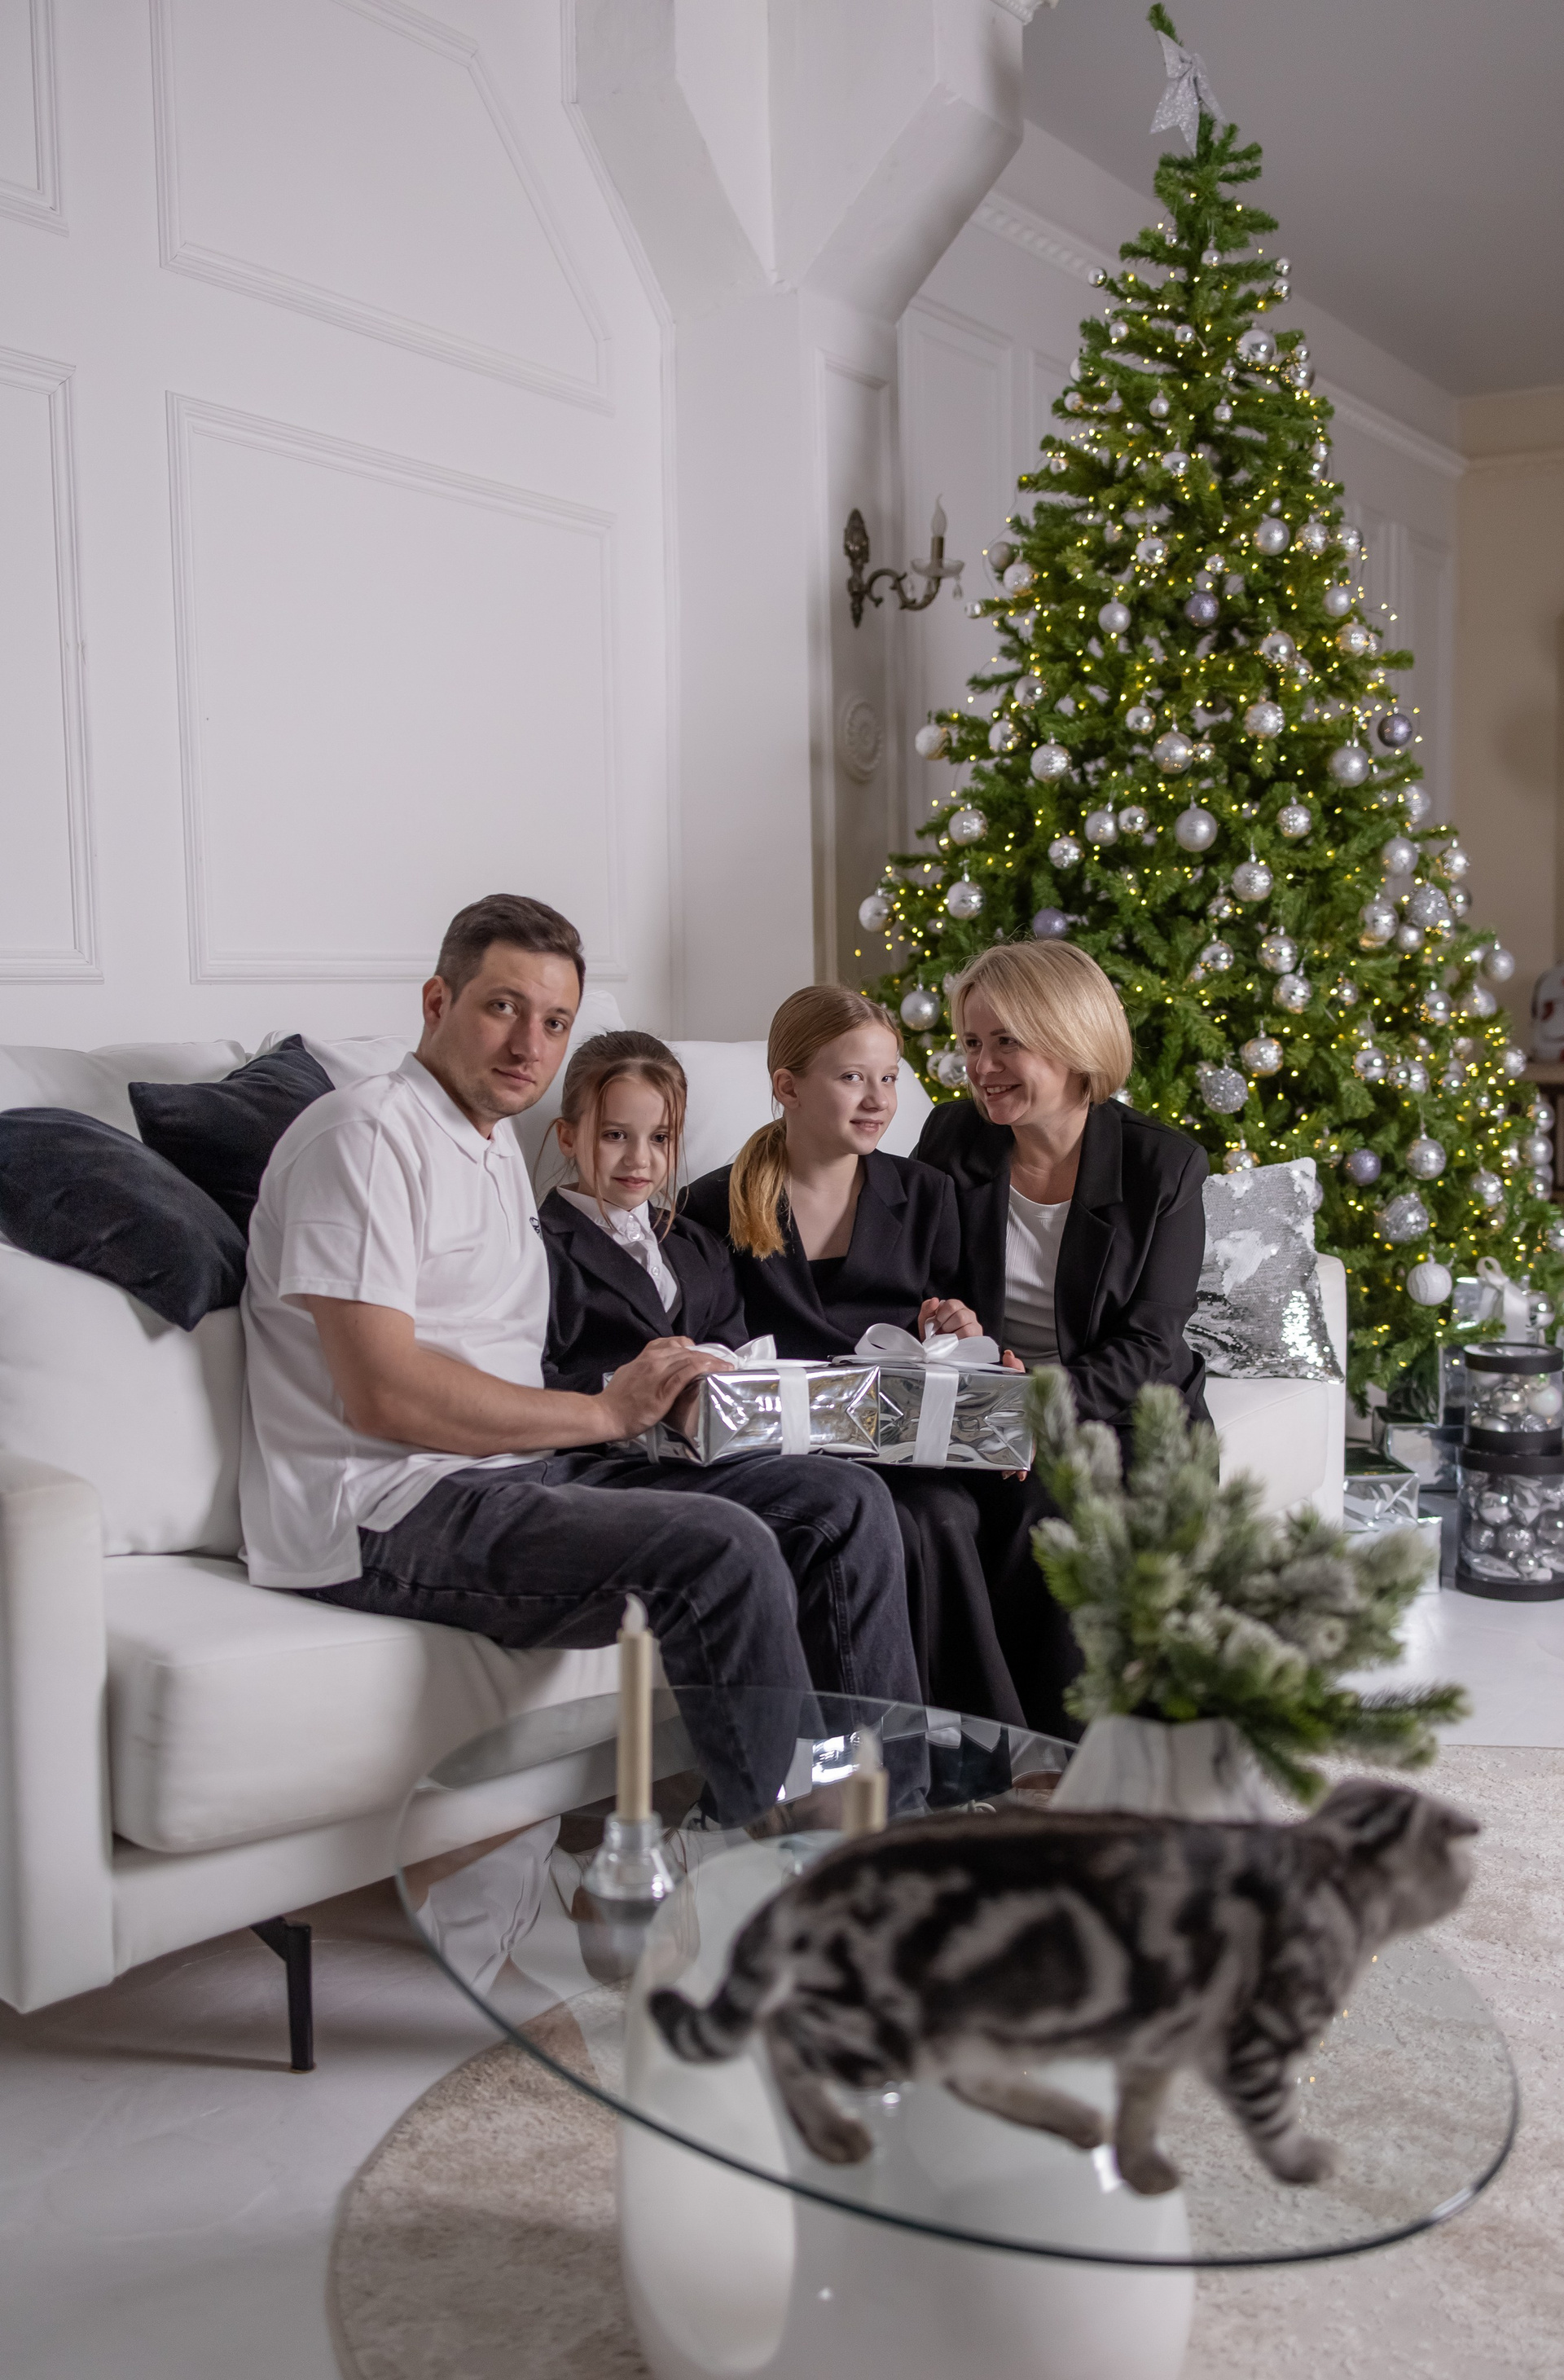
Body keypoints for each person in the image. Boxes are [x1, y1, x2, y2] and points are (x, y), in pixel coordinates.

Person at [238, 895, 921, 1825]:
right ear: (437, 1001)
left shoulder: (487, 1150)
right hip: (381, 1506)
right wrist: (606, 1411)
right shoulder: (363, 1138)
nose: (530, 1043)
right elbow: (381, 1393)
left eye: (555, 1020)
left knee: (843, 1502)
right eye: (503, 1006)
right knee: (723, 1550)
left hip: (517, 1472)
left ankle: (886, 1825)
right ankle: (787, 1866)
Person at [684, 987, 1026, 1727]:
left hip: (901, 1448)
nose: (878, 1100)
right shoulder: (711, 1206)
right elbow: (712, 1350)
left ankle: (974, 1747)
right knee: (886, 1524)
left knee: (943, 1515)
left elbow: (966, 1339)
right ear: (788, 1087)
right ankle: (880, 1748)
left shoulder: (928, 1196)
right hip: (787, 1456)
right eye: (851, 1077)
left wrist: (958, 1326)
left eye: (890, 1078)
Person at [540, 1031, 747, 1394]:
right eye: (615, 1135)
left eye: (660, 1138)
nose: (639, 1159)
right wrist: (630, 1390)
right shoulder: (538, 1249)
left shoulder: (701, 1246)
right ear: (568, 1138)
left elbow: (736, 1356)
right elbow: (524, 1381)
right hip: (590, 1428)